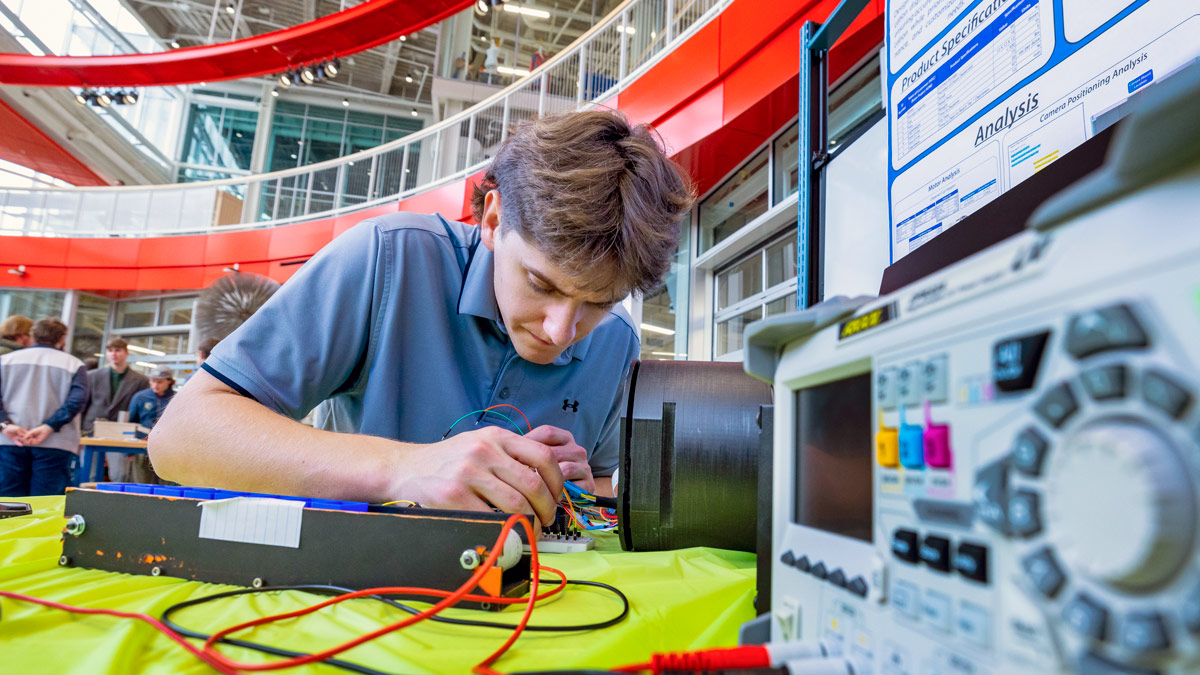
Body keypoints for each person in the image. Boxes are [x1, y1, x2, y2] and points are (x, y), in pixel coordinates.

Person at [150, 111, 694, 527]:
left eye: (598, 302)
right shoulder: (390, 259)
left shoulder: (617, 343)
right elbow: (179, 438)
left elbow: (599, 488)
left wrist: (578, 490)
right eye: (541, 284)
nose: (561, 330)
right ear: (493, 217)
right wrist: (402, 468)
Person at [0, 318, 89, 496]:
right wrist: (49, 426)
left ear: (32, 335)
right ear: (62, 338)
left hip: (10, 440)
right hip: (56, 443)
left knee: (7, 503)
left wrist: (5, 424)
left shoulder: (5, 361)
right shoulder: (74, 365)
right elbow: (76, 402)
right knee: (46, 504)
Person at [82, 338, 149, 482]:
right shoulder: (92, 376)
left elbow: (140, 412)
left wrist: (135, 442)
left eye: (118, 350)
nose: (114, 354)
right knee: (89, 475)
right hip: (92, 430)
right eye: (110, 351)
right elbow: (84, 405)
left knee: (119, 476)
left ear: (126, 353)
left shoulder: (141, 380)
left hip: (122, 433)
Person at [125, 366, 176, 484]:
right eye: (152, 381)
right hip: (142, 446)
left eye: (159, 382)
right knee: (142, 483)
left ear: (169, 381)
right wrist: (130, 450)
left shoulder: (176, 398)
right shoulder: (140, 397)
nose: (155, 385)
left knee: (167, 485)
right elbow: (131, 422)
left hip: (167, 449)